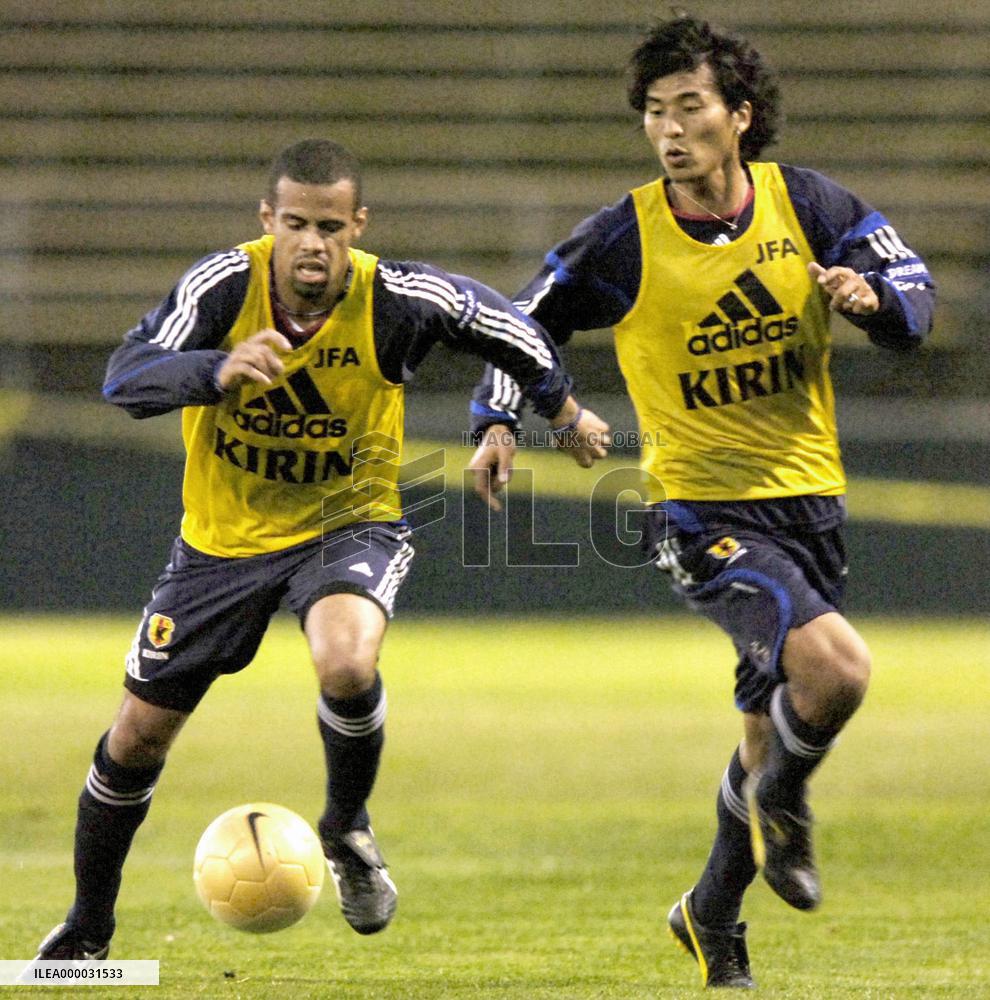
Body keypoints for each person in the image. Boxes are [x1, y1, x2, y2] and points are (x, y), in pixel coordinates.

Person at [35, 138, 609, 961]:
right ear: (268, 220)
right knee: (135, 738)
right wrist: (215, 370)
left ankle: (345, 828)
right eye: (297, 224)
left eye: (331, 227)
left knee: (345, 661)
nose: (314, 242)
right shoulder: (222, 286)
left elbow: (506, 327)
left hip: (350, 520)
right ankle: (88, 929)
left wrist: (546, 412)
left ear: (358, 226)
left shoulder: (397, 297)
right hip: (221, 545)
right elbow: (125, 377)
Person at [468, 16, 934, 990]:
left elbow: (911, 291)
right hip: (700, 513)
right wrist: (499, 416)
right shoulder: (623, 238)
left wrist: (872, 300)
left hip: (810, 502)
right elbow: (519, 321)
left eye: (690, 107)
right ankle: (786, 807)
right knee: (838, 671)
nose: (671, 129)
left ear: (740, 116)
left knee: (768, 732)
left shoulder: (809, 204)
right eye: (655, 112)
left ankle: (711, 915)